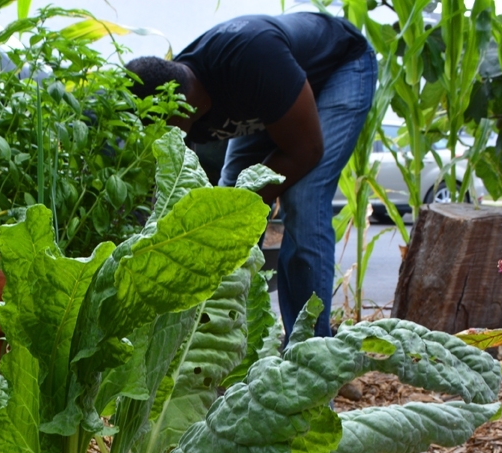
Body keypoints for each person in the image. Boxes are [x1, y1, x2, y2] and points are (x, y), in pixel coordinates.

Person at [126, 13, 377, 338]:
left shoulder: (248, 61)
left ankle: (311, 353)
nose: (155, 137)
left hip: (338, 69)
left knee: (302, 197)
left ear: (179, 107)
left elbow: (307, 150)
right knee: (233, 195)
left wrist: (240, 205)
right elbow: (173, 194)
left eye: (158, 125)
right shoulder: (176, 92)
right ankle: (224, 341)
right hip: (273, 100)